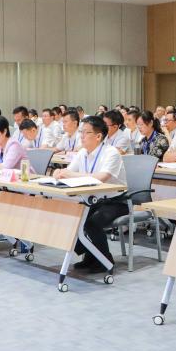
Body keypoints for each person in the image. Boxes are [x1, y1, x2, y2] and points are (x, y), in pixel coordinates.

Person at [53, 115, 127, 273]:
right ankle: (91, 255)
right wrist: (59, 172)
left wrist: (69, 174)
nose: (81, 136)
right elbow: (68, 172)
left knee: (92, 223)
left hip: (115, 201)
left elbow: (101, 178)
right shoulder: (82, 153)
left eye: (86, 132)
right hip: (92, 200)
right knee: (71, 219)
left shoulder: (111, 153)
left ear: (98, 136)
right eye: (81, 132)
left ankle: (104, 260)